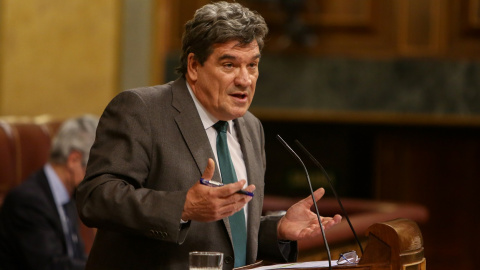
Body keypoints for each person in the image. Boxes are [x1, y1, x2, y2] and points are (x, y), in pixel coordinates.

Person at [75, 2, 342, 269]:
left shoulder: (251, 127)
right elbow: (95, 198)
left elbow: (224, 232)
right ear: (194, 65)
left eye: (252, 65)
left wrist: (278, 229)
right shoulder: (141, 110)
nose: (245, 79)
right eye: (229, 64)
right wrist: (182, 207)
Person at [0, 115, 99, 270]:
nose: (98, 178)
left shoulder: (70, 194)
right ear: (74, 160)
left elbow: (75, 256)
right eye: (96, 168)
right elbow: (50, 266)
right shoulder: (27, 201)